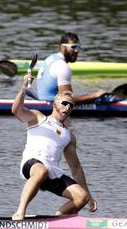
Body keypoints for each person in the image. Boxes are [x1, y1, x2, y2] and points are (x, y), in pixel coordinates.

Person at [10, 76, 97, 220]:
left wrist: (90, 197)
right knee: (41, 170)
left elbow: (76, 168)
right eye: (64, 103)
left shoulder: (69, 136)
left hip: (53, 171)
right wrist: (23, 88)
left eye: (71, 106)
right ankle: (20, 212)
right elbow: (16, 110)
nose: (67, 107)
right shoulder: (38, 118)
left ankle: (57, 219)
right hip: (32, 164)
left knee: (82, 197)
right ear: (54, 104)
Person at [35, 32, 107, 104]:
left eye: (78, 47)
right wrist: (94, 95)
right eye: (73, 47)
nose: (76, 51)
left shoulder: (50, 58)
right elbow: (68, 100)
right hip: (53, 106)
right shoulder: (62, 66)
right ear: (62, 47)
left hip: (43, 101)